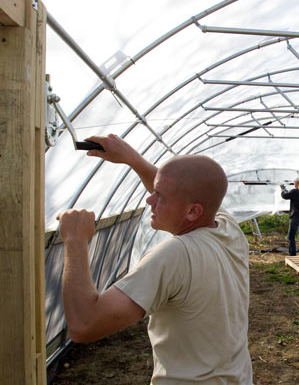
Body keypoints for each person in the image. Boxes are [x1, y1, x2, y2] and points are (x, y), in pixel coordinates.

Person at [57, 134, 253, 384]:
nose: (149, 199)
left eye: (159, 196)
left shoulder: (175, 254)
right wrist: (133, 160)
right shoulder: (228, 229)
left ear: (193, 211)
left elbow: (85, 324)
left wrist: (75, 240)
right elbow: (182, 189)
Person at [280, 177, 299, 256]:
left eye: (294, 182)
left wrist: (283, 188)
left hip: (296, 217)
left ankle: (293, 253)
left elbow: (285, 196)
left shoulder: (295, 191)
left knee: (291, 236)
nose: (293, 183)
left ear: (296, 183)